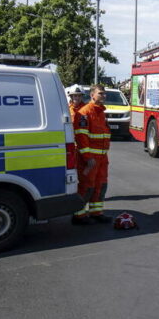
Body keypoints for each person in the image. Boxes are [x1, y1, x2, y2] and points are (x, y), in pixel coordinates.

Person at [75, 84, 113, 223]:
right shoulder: (85, 112)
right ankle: (78, 215)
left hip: (102, 157)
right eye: (101, 93)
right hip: (90, 159)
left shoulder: (100, 112)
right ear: (92, 95)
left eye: (104, 93)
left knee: (101, 184)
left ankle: (96, 212)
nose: (104, 96)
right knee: (87, 185)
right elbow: (81, 136)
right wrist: (87, 157)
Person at [67, 85, 93, 225]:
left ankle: (80, 213)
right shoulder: (67, 109)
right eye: (74, 96)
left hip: (82, 152)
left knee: (84, 182)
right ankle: (77, 212)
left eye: (78, 96)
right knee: (71, 182)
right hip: (71, 151)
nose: (76, 98)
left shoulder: (84, 111)